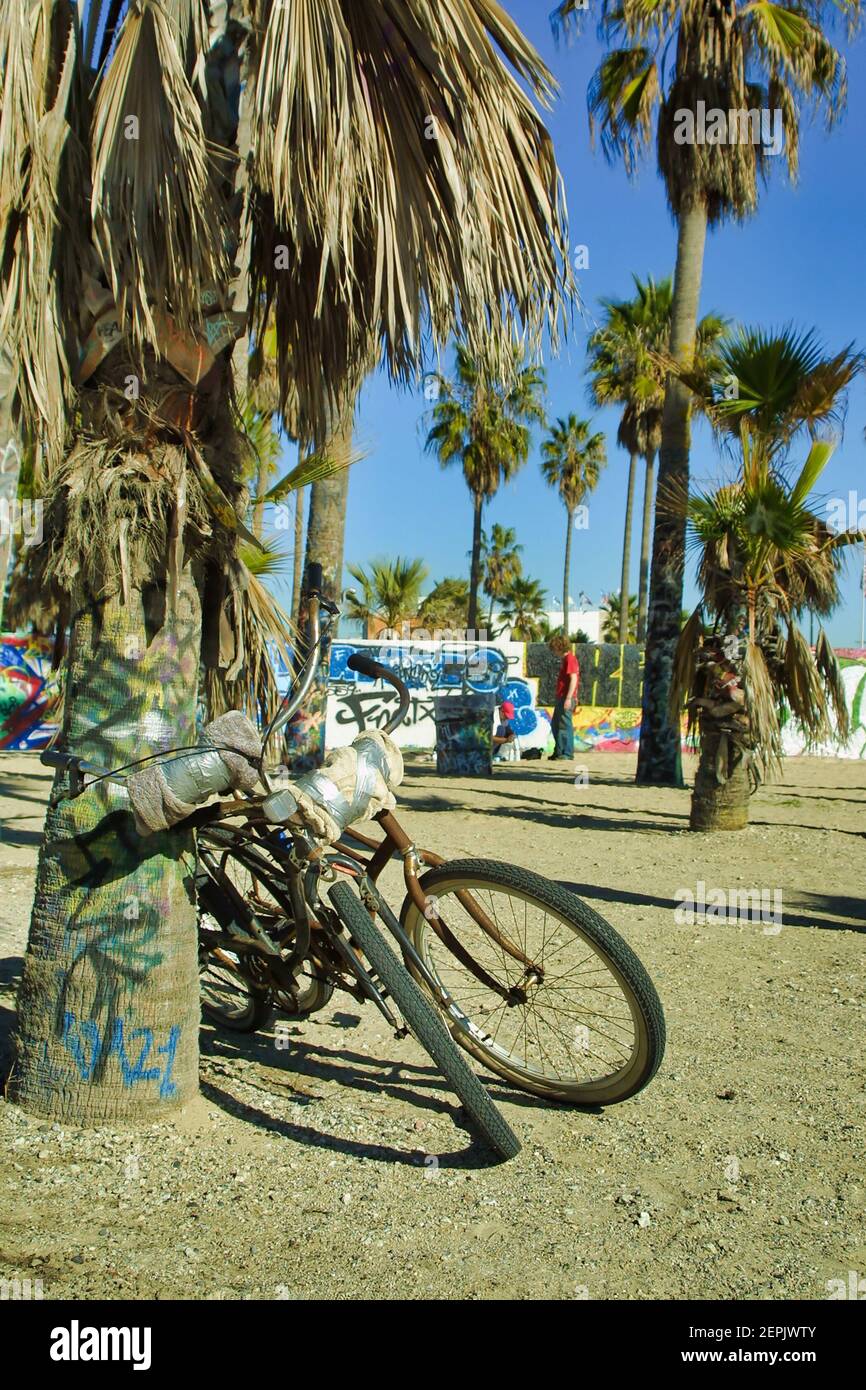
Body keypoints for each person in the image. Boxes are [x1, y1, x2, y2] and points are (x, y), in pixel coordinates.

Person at [548, 634, 579, 761]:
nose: (554, 652)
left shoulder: (569, 659)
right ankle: (559, 750)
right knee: (556, 724)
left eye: (554, 649)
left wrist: (568, 698)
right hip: (562, 696)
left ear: (559, 647)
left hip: (566, 697)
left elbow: (573, 678)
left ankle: (567, 753)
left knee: (564, 725)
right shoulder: (566, 660)